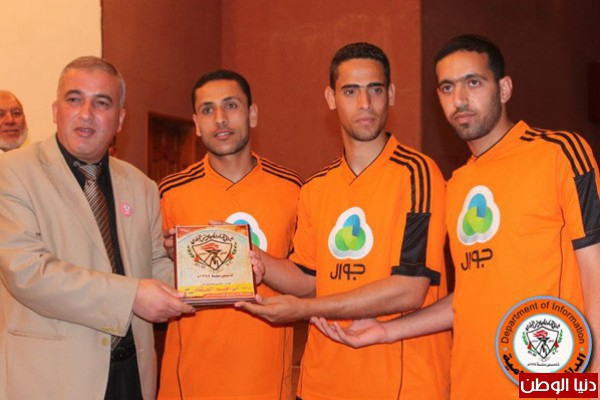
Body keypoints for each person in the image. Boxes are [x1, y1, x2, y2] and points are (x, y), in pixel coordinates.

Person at [312, 34, 600, 400]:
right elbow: (468, 298)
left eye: (473, 83)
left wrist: (590, 382)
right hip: (470, 386)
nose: (459, 99)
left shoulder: (559, 153)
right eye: (447, 88)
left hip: (547, 386)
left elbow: (596, 272)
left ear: (504, 88)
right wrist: (389, 330)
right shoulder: (459, 184)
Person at [237, 43, 451, 399]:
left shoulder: (418, 174)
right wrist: (250, 255)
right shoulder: (316, 187)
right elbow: (308, 279)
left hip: (399, 385)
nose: (364, 103)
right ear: (331, 97)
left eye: (374, 90)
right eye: (350, 91)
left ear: (390, 94)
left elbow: (410, 289)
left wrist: (305, 309)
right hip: (322, 382)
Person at [0, 56, 195, 400]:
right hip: (54, 379)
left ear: (120, 118)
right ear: (56, 110)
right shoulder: (13, 173)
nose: (86, 113)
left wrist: (205, 272)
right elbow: (27, 272)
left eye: (102, 103)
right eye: (74, 100)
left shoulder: (142, 185)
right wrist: (132, 295)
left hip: (132, 374)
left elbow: (154, 267)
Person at [157, 70, 302, 400]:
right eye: (207, 110)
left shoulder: (293, 190)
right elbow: (150, 281)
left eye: (231, 105)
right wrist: (168, 258)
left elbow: (308, 280)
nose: (220, 119)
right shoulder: (170, 193)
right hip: (188, 386)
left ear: (252, 114)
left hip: (266, 385)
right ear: (196, 124)